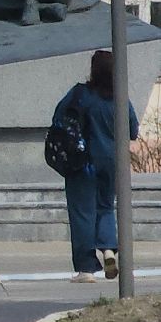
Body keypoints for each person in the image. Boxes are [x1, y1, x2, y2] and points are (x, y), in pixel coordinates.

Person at [54, 50, 140, 283]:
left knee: (82, 212)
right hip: (113, 162)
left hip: (83, 162)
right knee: (105, 207)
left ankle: (85, 268)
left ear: (94, 70)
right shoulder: (121, 98)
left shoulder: (82, 94)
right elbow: (133, 130)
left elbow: (60, 120)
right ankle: (109, 250)